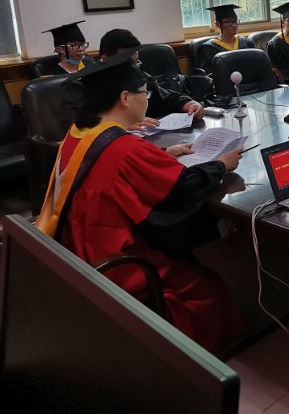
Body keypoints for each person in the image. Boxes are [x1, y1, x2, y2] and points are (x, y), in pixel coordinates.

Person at [34, 52, 247, 356]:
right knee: (205, 287)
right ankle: (203, 355)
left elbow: (115, 173)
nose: (147, 100)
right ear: (125, 98)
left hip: (77, 242)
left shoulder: (81, 132)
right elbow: (181, 188)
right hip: (116, 258)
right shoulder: (125, 147)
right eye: (145, 94)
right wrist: (220, 165)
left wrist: (164, 154)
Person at [98, 29, 205, 122]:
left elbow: (166, 98)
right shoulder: (92, 87)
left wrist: (190, 104)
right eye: (127, 63)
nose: (133, 69)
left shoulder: (139, 78)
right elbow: (93, 123)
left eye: (136, 62)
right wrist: (125, 124)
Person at [197, 4, 255, 73]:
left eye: (235, 21)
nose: (234, 25)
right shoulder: (208, 48)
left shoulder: (247, 42)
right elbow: (208, 74)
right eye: (228, 22)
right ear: (218, 24)